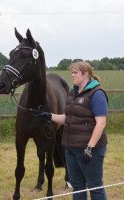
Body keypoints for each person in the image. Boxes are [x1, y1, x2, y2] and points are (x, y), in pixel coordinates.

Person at [39, 61, 108, 200]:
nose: (72, 75)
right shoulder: (73, 93)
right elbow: (68, 118)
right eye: (72, 72)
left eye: (75, 72)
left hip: (90, 150)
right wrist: (50, 116)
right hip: (70, 148)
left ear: (85, 74)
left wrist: (89, 148)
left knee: (95, 186)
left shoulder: (97, 94)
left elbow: (101, 123)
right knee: (77, 185)